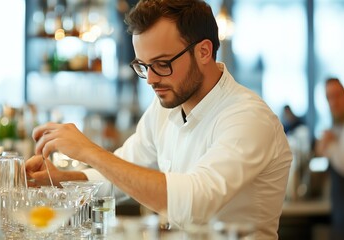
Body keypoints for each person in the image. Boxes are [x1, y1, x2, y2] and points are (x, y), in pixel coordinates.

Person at [25, 0, 292, 238]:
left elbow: (193, 204)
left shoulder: (248, 117)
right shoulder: (165, 107)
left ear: (204, 52)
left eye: (162, 63)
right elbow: (121, 172)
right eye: (143, 65)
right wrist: (63, 179)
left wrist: (90, 151)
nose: (151, 79)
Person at [315, 78, 344, 239]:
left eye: (337, 95)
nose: (333, 102)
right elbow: (320, 151)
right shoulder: (335, 127)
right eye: (329, 97)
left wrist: (330, 144)